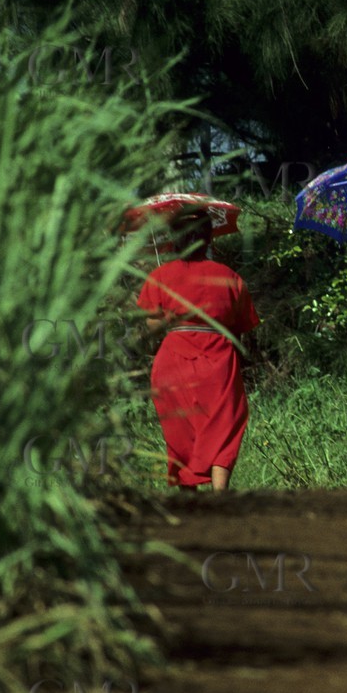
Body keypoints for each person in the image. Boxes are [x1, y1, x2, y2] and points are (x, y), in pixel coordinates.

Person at [137, 210, 259, 491]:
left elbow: (151, 328)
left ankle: (188, 497)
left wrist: (169, 316)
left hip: (173, 362)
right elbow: (243, 324)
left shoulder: (159, 276)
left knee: (182, 431)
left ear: (174, 241)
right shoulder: (228, 277)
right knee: (224, 426)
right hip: (219, 361)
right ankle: (220, 495)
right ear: (208, 239)